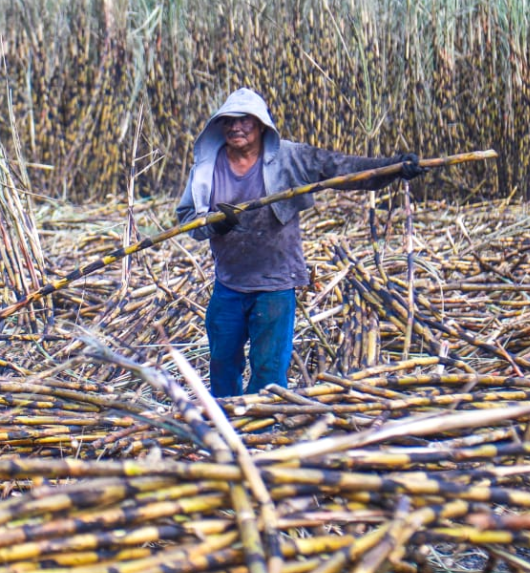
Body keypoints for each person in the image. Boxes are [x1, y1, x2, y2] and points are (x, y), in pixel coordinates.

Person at [175, 87, 425, 398]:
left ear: (261, 125)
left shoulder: (289, 158)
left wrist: (395, 167)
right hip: (229, 284)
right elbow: (186, 217)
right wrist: (215, 223)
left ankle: (264, 427)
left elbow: (343, 169)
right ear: (219, 126)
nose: (236, 127)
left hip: (275, 284)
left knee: (268, 369)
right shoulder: (205, 169)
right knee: (222, 362)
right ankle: (225, 424)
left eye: (245, 121)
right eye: (229, 121)